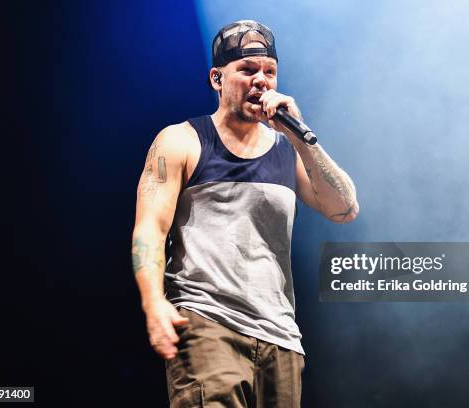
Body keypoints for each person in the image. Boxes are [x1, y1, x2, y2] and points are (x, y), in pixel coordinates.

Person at [131, 20, 358, 407]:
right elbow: (150, 228)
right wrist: (154, 304)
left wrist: (301, 138)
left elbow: (344, 209)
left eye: (269, 72)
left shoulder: (288, 150)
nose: (261, 81)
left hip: (281, 337)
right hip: (208, 324)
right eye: (247, 71)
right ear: (217, 79)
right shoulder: (183, 140)